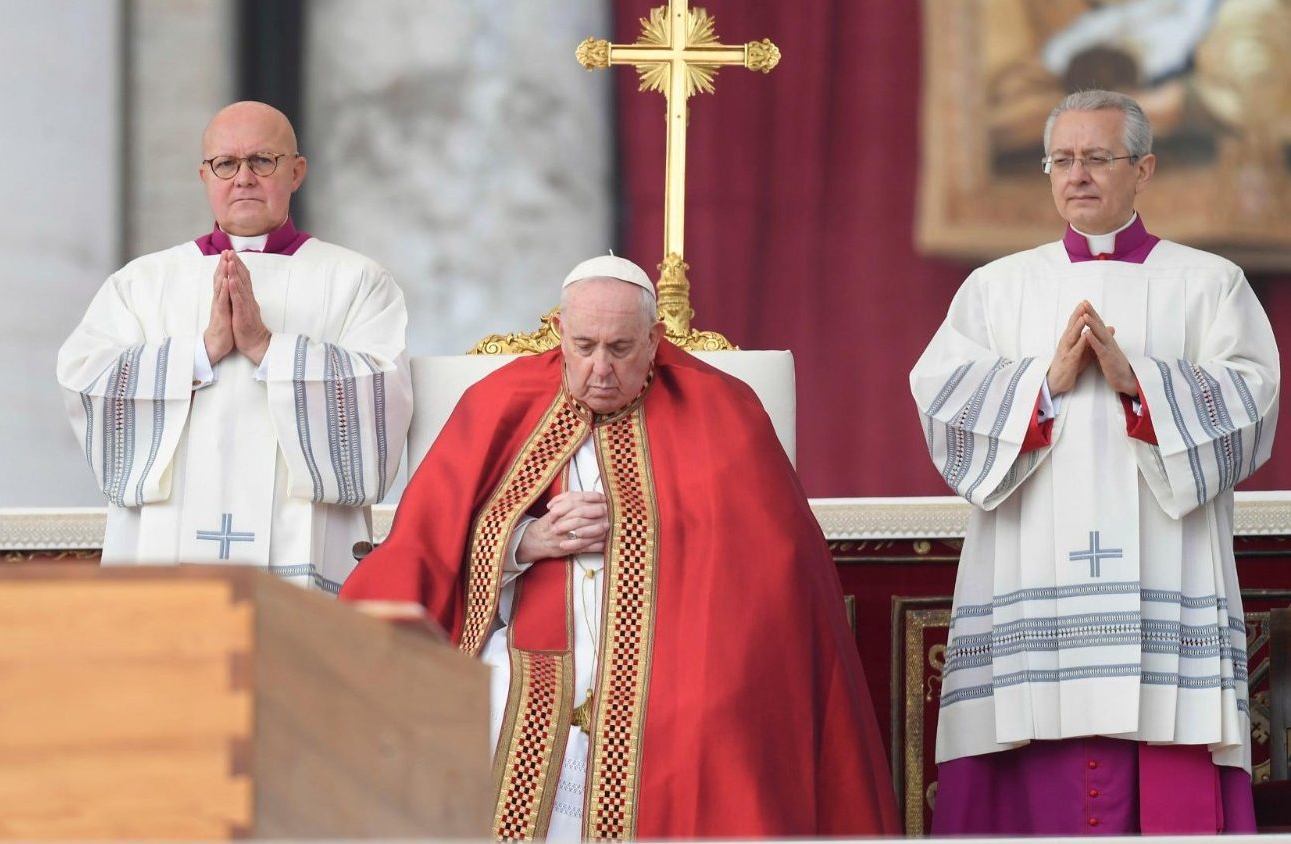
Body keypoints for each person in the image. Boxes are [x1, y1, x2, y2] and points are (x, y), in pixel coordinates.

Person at [341, 256, 899, 839]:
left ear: (655, 341)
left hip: (676, 649)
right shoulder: (498, 401)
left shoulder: (723, 410)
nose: (599, 369)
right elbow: (427, 544)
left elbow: (771, 570)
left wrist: (647, 526)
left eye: (620, 348)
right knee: (469, 707)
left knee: (709, 719)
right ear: (560, 332)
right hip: (528, 646)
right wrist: (525, 541)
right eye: (583, 346)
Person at [911, 89, 1279, 835]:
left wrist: (1136, 384)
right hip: (1031, 562)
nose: (1077, 175)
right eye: (1063, 160)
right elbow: (942, 403)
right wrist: (1041, 385)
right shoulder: (996, 288)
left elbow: (1252, 401)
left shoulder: (1209, 283)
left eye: (1097, 158)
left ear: (1142, 169)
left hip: (1163, 563)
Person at [57, 101, 411, 593]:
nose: (243, 178)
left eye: (262, 160)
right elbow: (85, 379)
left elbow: (382, 394)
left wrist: (269, 349)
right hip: (165, 551)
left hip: (300, 558)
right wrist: (200, 352)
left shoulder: (358, 281)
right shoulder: (141, 282)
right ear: (204, 175)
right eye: (226, 164)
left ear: (296, 171)